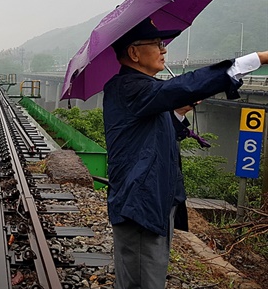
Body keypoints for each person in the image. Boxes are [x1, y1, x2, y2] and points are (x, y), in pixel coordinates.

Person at [103, 17, 268, 289]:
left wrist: (177, 114)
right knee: (143, 282)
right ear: (134, 52)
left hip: (154, 202)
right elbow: (184, 85)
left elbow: (150, 135)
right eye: (157, 44)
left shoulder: (143, 92)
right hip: (141, 205)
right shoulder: (131, 88)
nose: (164, 50)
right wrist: (253, 60)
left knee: (149, 276)